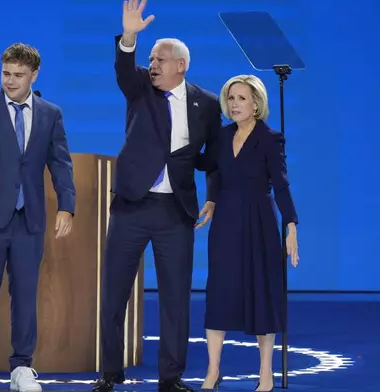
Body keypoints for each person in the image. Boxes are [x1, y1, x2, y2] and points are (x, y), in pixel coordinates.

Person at [92, 1, 220, 392]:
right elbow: (122, 69)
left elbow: (213, 158)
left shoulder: (208, 105)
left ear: (181, 65)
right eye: (149, 58)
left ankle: (171, 377)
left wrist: (212, 197)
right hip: (132, 205)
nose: (152, 65)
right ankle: (111, 372)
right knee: (113, 294)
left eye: (159, 59)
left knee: (175, 299)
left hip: (175, 211)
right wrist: (129, 37)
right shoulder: (140, 90)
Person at [0, 43, 76, 392]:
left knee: (26, 295)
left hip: (30, 220)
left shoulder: (50, 113)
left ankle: (22, 367)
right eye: (6, 74)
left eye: (18, 75)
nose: (10, 81)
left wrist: (66, 206)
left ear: (34, 75)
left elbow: (60, 163)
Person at [196, 74, 300, 392]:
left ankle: (265, 373)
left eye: (241, 98)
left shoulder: (270, 138)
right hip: (226, 219)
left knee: (262, 295)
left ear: (256, 104)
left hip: (260, 220)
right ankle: (213, 371)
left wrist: (291, 225)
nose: (234, 104)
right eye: (231, 98)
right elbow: (206, 164)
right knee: (220, 293)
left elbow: (281, 184)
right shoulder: (223, 136)